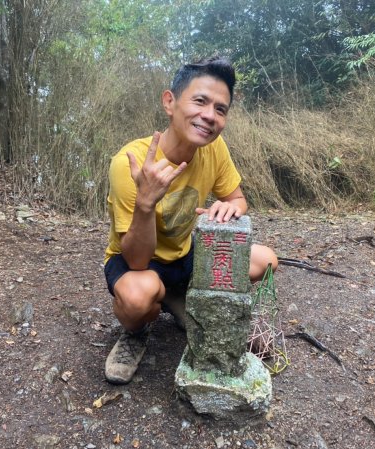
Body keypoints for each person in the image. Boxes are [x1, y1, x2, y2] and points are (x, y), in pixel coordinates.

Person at [103, 57, 278, 384]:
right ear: (169, 102)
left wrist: (228, 209)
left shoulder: (215, 149)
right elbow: (137, 260)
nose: (210, 116)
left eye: (221, 109)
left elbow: (238, 199)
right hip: (137, 261)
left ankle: (178, 296)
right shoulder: (132, 162)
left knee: (265, 262)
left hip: (184, 255)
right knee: (139, 296)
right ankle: (137, 332)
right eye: (200, 101)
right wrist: (145, 203)